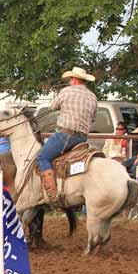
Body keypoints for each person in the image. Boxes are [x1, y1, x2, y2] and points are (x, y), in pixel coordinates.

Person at [36, 67, 97, 203]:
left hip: (65, 135)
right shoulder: (92, 96)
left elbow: (52, 107)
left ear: (74, 79)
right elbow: (92, 118)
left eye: (70, 79)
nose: (70, 82)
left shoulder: (66, 91)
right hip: (82, 138)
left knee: (42, 157)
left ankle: (52, 193)